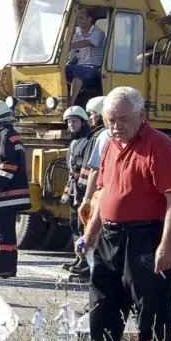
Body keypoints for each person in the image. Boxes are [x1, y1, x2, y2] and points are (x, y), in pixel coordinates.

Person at [77, 86, 171, 341]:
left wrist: (167, 247)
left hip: (145, 240)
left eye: (123, 119)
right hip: (110, 239)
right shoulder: (110, 145)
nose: (116, 125)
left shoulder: (159, 145)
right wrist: (90, 234)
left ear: (141, 116)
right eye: (111, 119)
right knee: (102, 311)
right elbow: (105, 196)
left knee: (152, 317)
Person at [0, 100, 31, 279]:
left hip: (5, 195)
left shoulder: (4, 136)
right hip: (13, 195)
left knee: (0, 231)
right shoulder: (11, 134)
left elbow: (8, 164)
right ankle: (9, 267)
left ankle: (1, 266)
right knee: (8, 233)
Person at [60, 106, 94, 278]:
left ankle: (86, 261)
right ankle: (78, 257)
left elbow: (87, 167)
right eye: (69, 122)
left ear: (83, 121)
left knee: (84, 225)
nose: (71, 125)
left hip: (83, 189)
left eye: (74, 121)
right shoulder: (74, 141)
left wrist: (84, 191)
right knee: (75, 224)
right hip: (75, 188)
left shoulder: (88, 140)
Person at [78, 96, 109, 227]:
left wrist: (87, 197)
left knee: (87, 227)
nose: (90, 118)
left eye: (91, 114)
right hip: (95, 189)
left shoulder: (101, 135)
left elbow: (94, 168)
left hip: (93, 190)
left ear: (100, 115)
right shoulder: (100, 134)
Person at [66, 8, 106, 106]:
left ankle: (71, 101)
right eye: (77, 19)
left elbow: (88, 43)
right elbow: (74, 57)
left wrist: (67, 45)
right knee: (62, 69)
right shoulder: (76, 36)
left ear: (89, 19)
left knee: (79, 70)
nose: (78, 21)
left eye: (81, 18)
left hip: (95, 67)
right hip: (80, 66)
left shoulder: (98, 32)